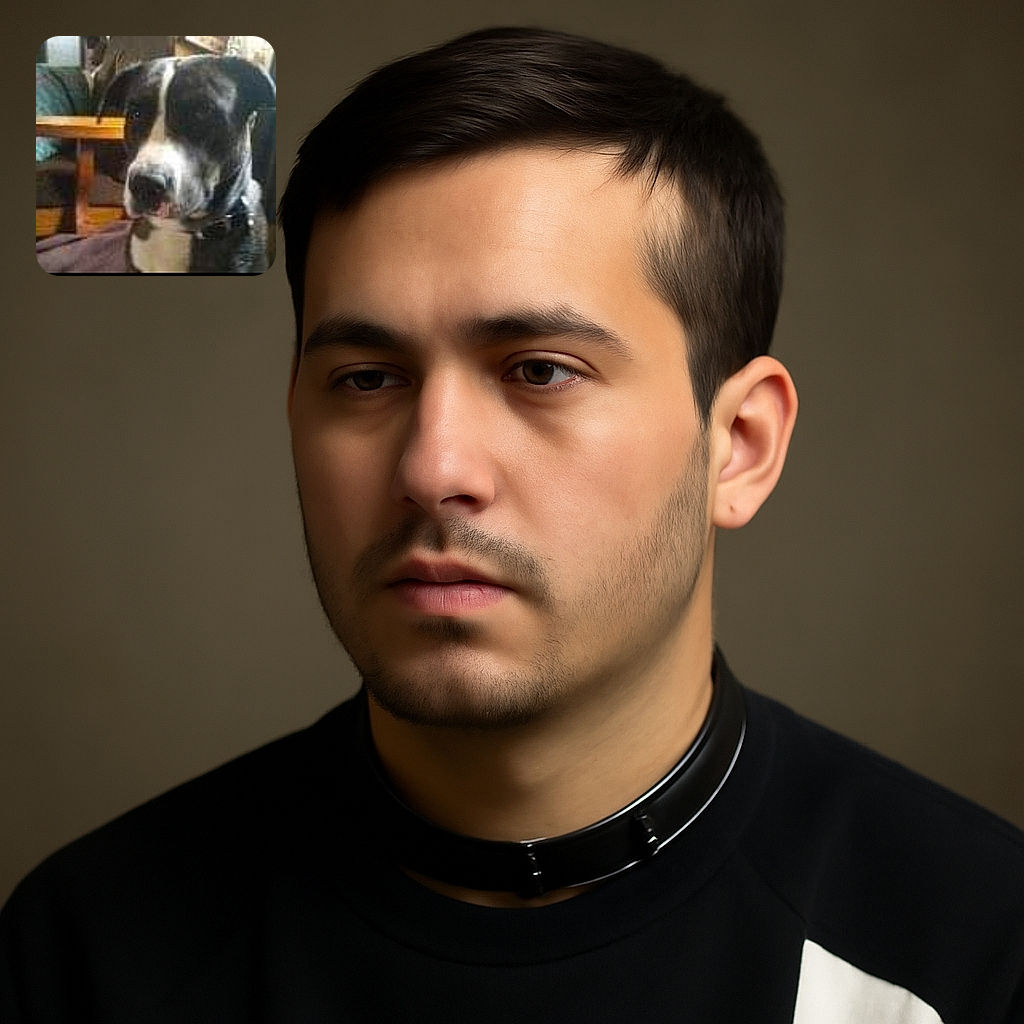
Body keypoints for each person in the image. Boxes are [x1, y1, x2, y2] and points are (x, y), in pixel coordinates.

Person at [3, 26, 1022, 1024]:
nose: (432, 468)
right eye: (365, 378)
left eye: (540, 370)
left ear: (740, 444)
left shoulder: (976, 951)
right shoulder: (87, 956)